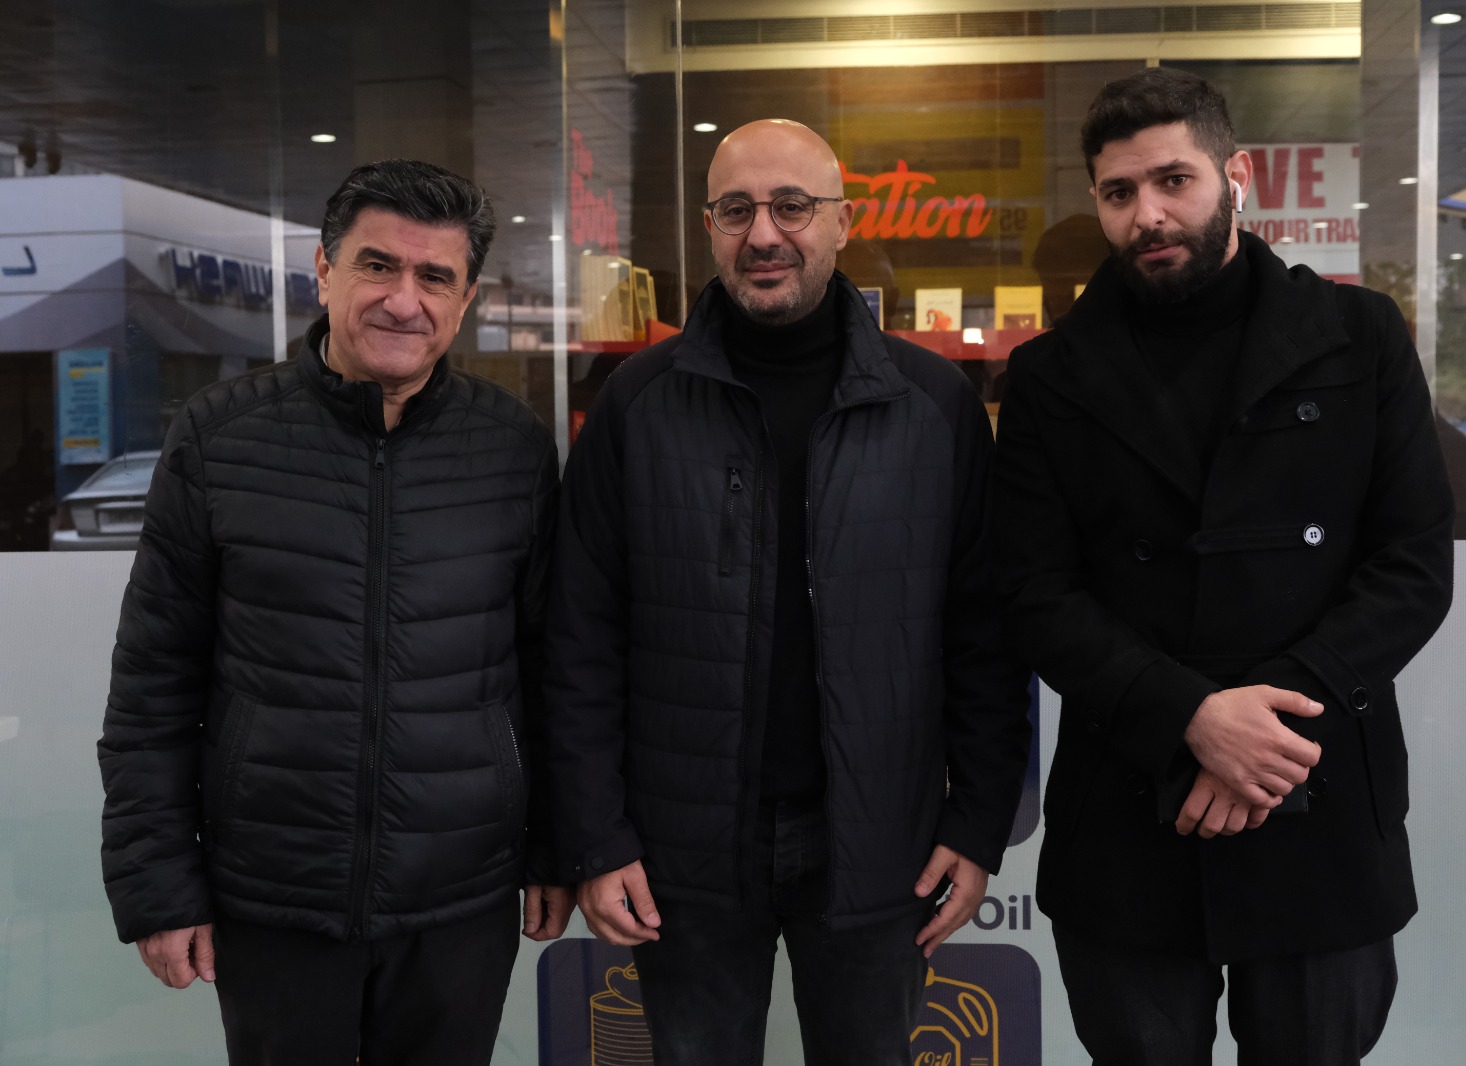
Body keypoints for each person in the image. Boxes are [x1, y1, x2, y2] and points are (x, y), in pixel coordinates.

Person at [993, 68, 1454, 1064]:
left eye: (1175, 181)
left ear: (1235, 176)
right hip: (1130, 810)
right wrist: (1192, 718)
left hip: (1316, 794)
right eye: (1119, 193)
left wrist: (1265, 728)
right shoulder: (1046, 377)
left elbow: (1412, 564)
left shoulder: (1359, 337)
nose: (1147, 215)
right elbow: (1032, 592)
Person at [546, 118, 1031, 1065]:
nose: (764, 233)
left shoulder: (932, 406)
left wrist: (978, 826)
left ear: (844, 222)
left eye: (793, 206)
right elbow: (581, 638)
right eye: (736, 210)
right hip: (681, 850)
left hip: (881, 845)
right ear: (709, 228)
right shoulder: (636, 402)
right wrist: (598, 837)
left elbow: (984, 635)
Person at [98, 159, 572, 1065]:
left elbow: (553, 672)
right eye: (377, 265)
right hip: (274, 899)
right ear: (324, 271)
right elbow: (152, 685)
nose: (404, 300)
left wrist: (556, 847)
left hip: (460, 901)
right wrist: (157, 884)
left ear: (465, 299)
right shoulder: (220, 437)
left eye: (435, 276)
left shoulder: (511, 448)